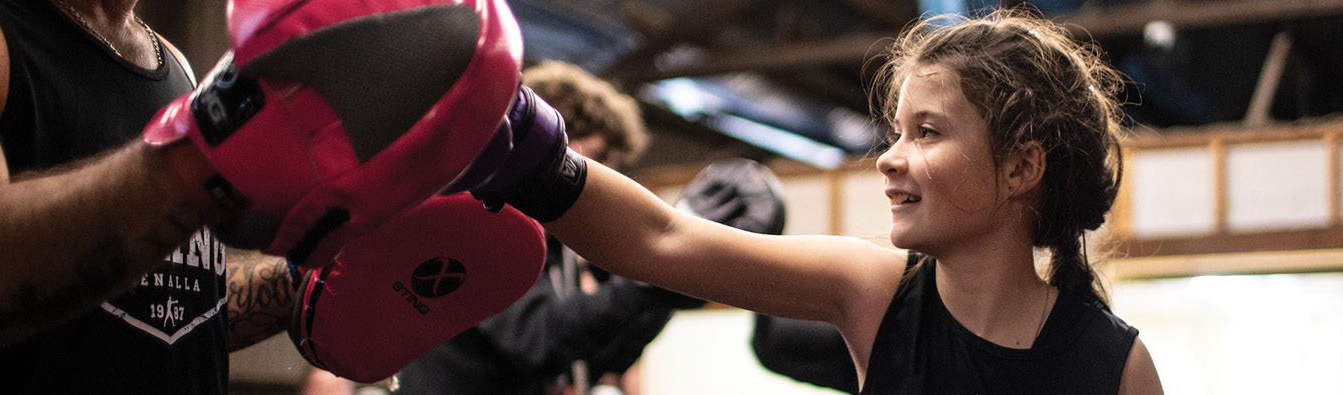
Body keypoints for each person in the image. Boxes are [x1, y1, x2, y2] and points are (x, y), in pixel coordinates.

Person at [482, 9, 1164, 393]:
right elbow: (661, 239)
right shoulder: (873, 291)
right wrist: (513, 135)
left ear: (1021, 167)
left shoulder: (1117, 368)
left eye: (927, 133)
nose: (890, 158)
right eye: (896, 133)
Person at [0, 0, 294, 393]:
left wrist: (300, 283)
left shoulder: (175, 66)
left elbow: (170, 314)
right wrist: (195, 162)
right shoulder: (2, 40)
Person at [381, 60, 703, 395]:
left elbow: (594, 359)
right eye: (600, 155)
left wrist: (665, 292)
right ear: (549, 141)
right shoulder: (488, 222)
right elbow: (536, 338)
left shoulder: (558, 242)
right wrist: (647, 282)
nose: (609, 174)